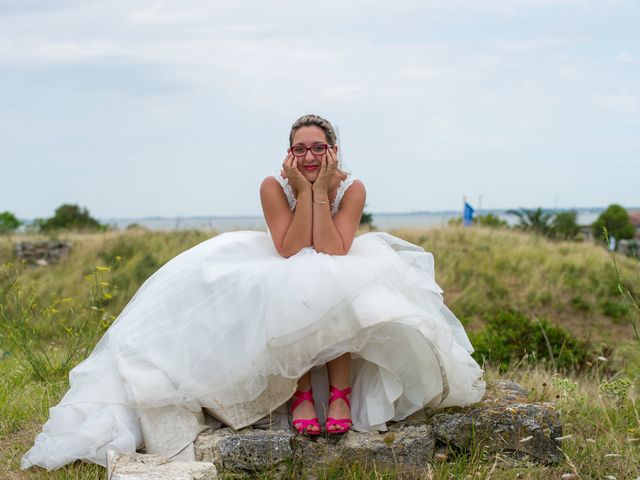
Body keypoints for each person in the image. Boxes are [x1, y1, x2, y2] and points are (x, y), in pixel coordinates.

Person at [21, 114, 485, 471]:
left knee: (335, 280)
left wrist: (322, 190)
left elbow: (334, 248)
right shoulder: (272, 185)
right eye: (299, 148)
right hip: (282, 257)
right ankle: (302, 393)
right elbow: (289, 249)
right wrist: (304, 192)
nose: (308, 156)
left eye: (317, 148)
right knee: (303, 278)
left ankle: (339, 394)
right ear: (288, 154)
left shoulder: (352, 186)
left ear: (333, 150)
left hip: (332, 255)